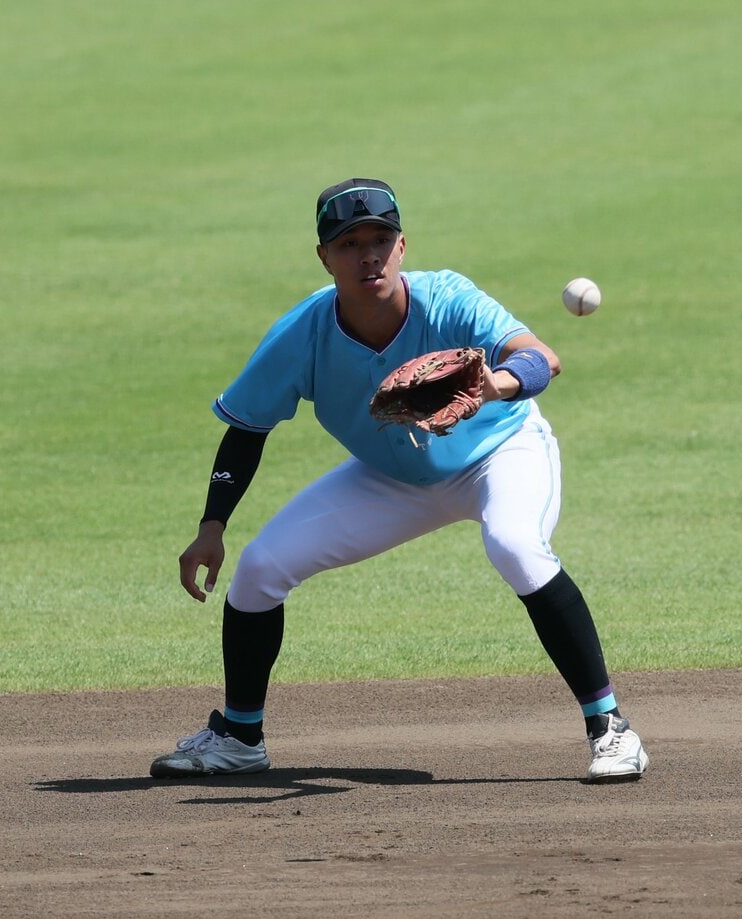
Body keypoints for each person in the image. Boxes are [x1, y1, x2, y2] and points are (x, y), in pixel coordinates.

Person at [150, 178, 649, 783]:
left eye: (381, 239)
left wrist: (499, 384)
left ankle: (611, 729)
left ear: (403, 245)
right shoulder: (301, 335)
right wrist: (211, 526)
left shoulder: (448, 299)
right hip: (392, 479)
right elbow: (247, 429)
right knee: (259, 570)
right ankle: (239, 736)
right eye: (349, 243)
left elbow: (542, 357)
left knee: (515, 545)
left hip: (501, 453)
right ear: (323, 256)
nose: (368, 256)